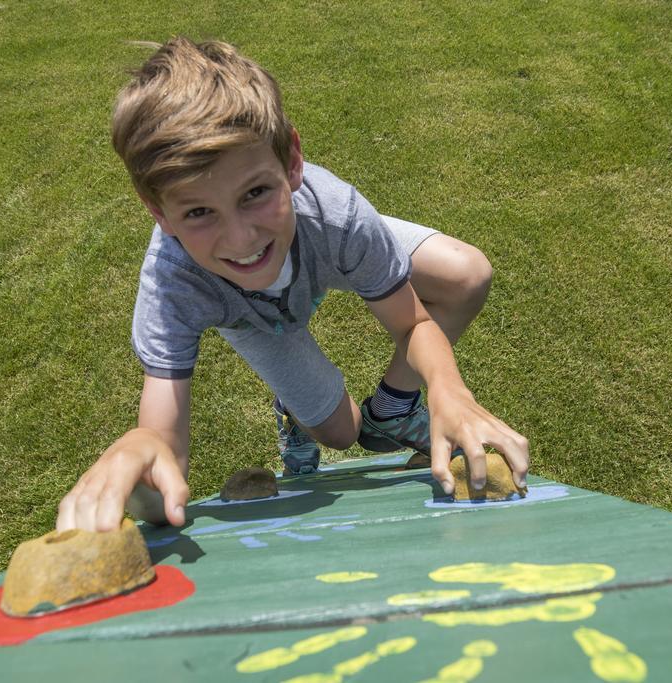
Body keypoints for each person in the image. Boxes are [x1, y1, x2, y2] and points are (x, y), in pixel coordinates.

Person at [56, 37, 528, 533]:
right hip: (252, 319)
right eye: (198, 211)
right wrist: (141, 454)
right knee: (340, 432)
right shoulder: (173, 284)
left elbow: (411, 322)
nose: (241, 238)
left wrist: (448, 389)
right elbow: (163, 467)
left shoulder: (339, 217)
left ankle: (392, 411)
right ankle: (295, 408)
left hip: (320, 239)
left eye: (255, 193)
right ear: (159, 213)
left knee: (465, 274)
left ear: (293, 162)